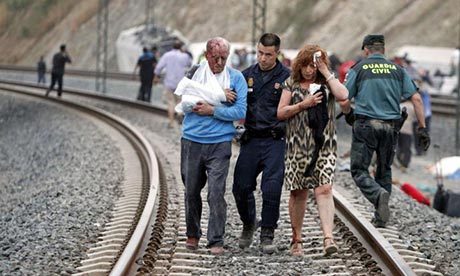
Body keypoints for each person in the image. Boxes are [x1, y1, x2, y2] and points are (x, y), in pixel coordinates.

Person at [339, 34, 430, 228]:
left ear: (366, 50)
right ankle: (381, 217)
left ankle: (377, 194)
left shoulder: (359, 68)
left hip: (366, 126)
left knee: (359, 170)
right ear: (384, 50)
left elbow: (344, 99)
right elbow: (417, 99)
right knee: (384, 170)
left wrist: (348, 114)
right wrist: (422, 129)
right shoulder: (398, 70)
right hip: (390, 127)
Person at [277, 45, 349, 256]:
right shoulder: (291, 83)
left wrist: (326, 71)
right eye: (306, 65)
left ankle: (328, 238)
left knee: (324, 189)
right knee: (298, 192)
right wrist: (303, 104)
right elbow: (281, 113)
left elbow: (344, 95)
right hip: (297, 145)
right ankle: (296, 239)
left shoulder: (327, 82)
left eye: (313, 65)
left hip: (324, 145)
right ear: (299, 65)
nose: (309, 70)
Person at [180, 37, 247, 255]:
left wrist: (213, 110)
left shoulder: (235, 78)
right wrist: (219, 97)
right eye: (215, 57)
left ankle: (216, 239)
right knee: (191, 191)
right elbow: (186, 102)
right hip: (192, 140)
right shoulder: (194, 73)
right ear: (207, 55)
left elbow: (240, 112)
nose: (219, 62)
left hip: (220, 142)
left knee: (216, 193)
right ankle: (192, 234)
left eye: (224, 58)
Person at [232, 33, 290, 254]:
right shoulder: (246, 76)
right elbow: (234, 103)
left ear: (277, 54)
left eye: (268, 54)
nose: (263, 58)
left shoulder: (287, 77)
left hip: (275, 140)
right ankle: (249, 223)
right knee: (240, 186)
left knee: (272, 188)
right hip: (252, 139)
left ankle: (267, 234)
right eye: (260, 53)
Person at [154, 40, 192, 128]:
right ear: (180, 47)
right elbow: (189, 63)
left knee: (170, 102)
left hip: (169, 83)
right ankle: (179, 114)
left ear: (172, 46)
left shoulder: (167, 55)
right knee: (179, 101)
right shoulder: (184, 56)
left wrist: (156, 76)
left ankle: (171, 123)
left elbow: (159, 67)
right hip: (180, 83)